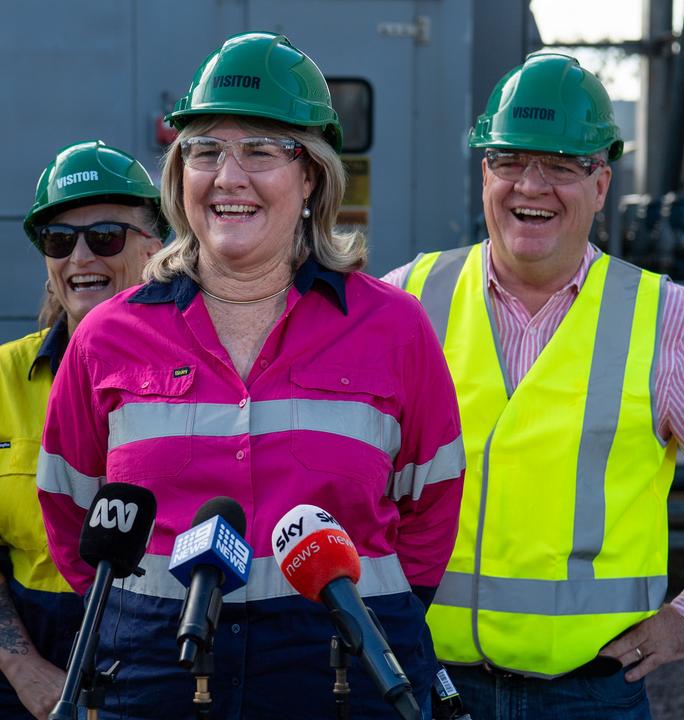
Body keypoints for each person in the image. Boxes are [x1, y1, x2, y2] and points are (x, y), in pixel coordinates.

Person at [37, 32, 465, 718]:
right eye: (205, 152)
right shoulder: (109, 337)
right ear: (180, 175)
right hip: (157, 663)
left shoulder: (394, 327)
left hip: (343, 664)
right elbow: (71, 506)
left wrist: (361, 609)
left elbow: (430, 504)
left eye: (260, 151)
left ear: (312, 175)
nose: (228, 177)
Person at [382, 53, 684, 719]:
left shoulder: (667, 322)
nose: (532, 185)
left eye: (561, 165)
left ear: (601, 184)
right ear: (484, 172)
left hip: (588, 697)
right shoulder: (405, 300)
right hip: (423, 682)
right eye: (511, 161)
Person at [0, 140, 165, 719]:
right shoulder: (2, 377)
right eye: (60, 240)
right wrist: (29, 675)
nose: (81, 257)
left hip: (158, 672)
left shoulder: (198, 382)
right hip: (24, 680)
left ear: (155, 247)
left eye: (105, 236)